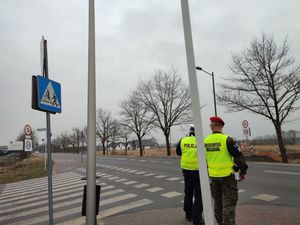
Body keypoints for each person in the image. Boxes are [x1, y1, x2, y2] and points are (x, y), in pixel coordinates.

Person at [204, 116, 248, 225]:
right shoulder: (228, 140)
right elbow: (239, 158)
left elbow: (203, 160)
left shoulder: (205, 141)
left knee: (218, 204)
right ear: (221, 126)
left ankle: (220, 222)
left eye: (210, 125)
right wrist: (243, 172)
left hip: (213, 178)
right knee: (229, 205)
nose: (210, 126)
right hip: (228, 178)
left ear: (213, 126)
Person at [176, 125, 204, 225]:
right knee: (199, 194)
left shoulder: (182, 140)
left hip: (186, 170)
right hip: (198, 171)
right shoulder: (201, 140)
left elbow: (178, 153)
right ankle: (197, 217)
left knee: (188, 192)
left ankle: (188, 214)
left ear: (190, 131)